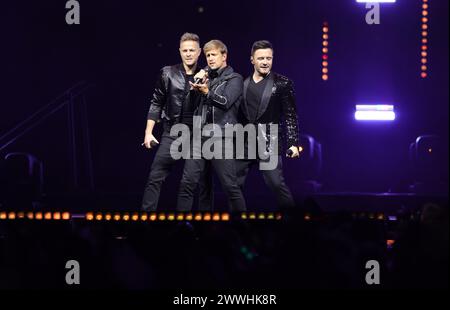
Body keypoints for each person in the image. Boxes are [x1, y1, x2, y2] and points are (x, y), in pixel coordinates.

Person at [141, 32, 212, 211]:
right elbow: (156, 102)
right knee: (155, 176)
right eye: (185, 50)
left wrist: (206, 86)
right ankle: (144, 224)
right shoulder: (168, 73)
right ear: (180, 51)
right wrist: (148, 133)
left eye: (192, 50)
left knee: (189, 183)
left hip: (196, 135)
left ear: (199, 52)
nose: (188, 54)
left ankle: (184, 226)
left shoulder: (207, 76)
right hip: (172, 132)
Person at [176, 40, 246, 212]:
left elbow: (226, 102)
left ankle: (244, 229)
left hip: (221, 137)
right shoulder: (204, 76)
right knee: (188, 184)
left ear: (224, 56)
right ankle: (180, 229)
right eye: (207, 55)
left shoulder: (235, 78)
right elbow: (189, 107)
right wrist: (194, 88)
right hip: (199, 137)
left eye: (213, 54)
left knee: (230, 186)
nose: (210, 59)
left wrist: (207, 92)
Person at [236, 40, 300, 209]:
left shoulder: (282, 83)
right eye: (261, 58)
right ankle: (237, 225)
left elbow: (290, 115)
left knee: (276, 184)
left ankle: (294, 222)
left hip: (269, 141)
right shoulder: (240, 82)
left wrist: (293, 143)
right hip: (243, 140)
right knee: (234, 186)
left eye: (269, 58)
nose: (265, 62)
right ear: (252, 60)